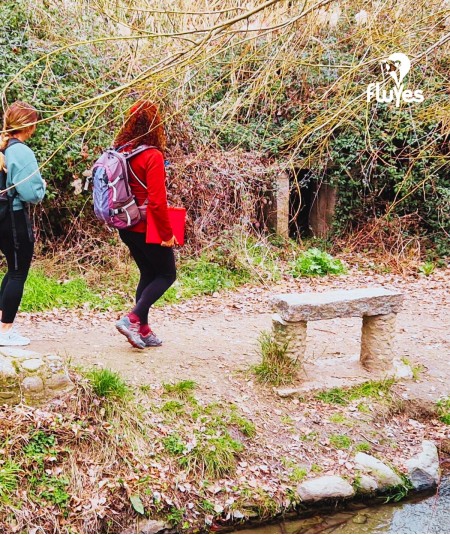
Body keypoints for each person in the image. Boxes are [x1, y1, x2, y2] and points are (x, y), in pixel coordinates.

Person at [114, 100, 177, 349]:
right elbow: (157, 203)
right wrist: (167, 234)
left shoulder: (122, 151)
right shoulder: (152, 155)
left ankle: (144, 330)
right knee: (166, 274)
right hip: (145, 227)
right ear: (155, 126)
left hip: (125, 225)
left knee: (149, 273)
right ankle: (131, 320)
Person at [0, 101, 46, 346]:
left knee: (12, 268)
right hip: (14, 217)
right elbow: (31, 193)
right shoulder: (21, 152)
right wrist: (42, 188)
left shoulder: (3, 146)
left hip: (1, 216)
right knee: (18, 271)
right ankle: (5, 331)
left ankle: (1, 323)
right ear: (29, 126)